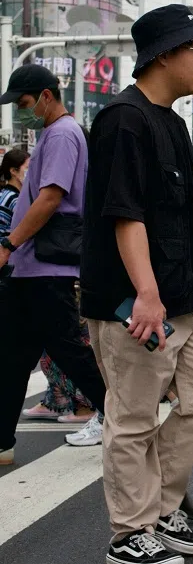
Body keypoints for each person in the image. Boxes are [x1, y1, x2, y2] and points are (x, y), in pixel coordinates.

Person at [80, 4, 193, 564]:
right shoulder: (123, 119)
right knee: (133, 417)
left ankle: (160, 503)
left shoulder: (171, 120)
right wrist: (146, 293)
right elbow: (126, 215)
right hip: (136, 304)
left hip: (192, 298)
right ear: (164, 53)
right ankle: (131, 531)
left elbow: (185, 218)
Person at [0, 64, 107, 468]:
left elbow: (50, 198)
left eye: (25, 103)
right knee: (10, 357)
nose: (21, 111)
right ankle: (1, 441)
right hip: (33, 269)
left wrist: (9, 245)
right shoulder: (54, 133)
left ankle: (124, 422)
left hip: (47, 267)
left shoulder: (62, 133)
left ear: (46, 95)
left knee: (69, 353)